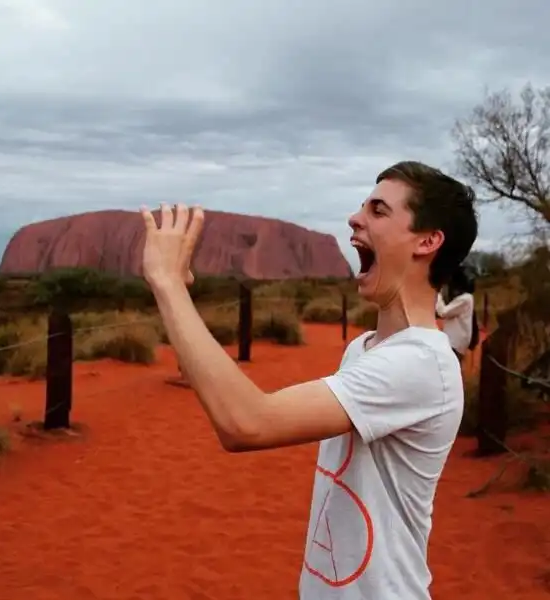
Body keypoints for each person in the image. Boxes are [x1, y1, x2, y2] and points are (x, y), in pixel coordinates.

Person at [139, 160, 478, 600]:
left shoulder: (420, 363)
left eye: (378, 210)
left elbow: (247, 423)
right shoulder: (365, 349)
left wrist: (168, 285)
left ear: (427, 241)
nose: (354, 218)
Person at [436, 266, 479, 363]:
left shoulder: (465, 299)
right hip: (455, 343)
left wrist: (437, 293)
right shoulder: (467, 298)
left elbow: (442, 312)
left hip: (454, 343)